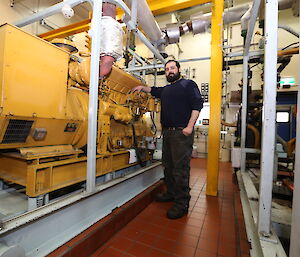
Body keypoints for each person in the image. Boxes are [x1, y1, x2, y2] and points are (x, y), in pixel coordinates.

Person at [132, 60, 203, 219]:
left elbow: (197, 104)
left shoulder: (188, 84)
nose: (169, 71)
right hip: (168, 133)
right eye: (167, 69)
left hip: (181, 133)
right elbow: (154, 90)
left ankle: (182, 203)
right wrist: (142, 87)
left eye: (172, 68)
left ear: (178, 69)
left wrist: (189, 127)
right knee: (168, 166)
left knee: (180, 169)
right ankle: (171, 193)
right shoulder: (166, 89)